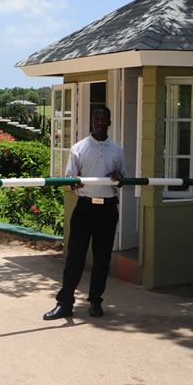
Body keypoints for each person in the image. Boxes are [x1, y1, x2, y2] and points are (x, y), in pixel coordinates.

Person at [43, 106, 125, 320]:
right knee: (75, 257)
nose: (99, 122)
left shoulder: (117, 150)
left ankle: (96, 302)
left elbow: (123, 179)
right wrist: (75, 182)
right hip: (85, 208)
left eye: (103, 118)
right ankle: (65, 303)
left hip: (107, 209)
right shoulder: (79, 148)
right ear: (91, 121)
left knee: (102, 260)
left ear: (109, 121)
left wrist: (119, 176)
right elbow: (70, 179)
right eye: (96, 118)